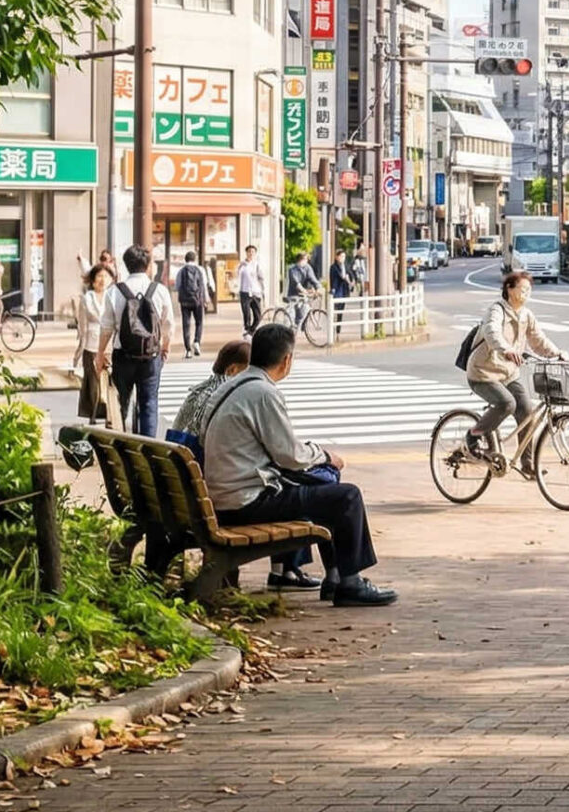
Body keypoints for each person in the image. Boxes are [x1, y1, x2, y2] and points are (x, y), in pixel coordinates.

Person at [200, 324, 394, 606]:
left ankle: (336, 578)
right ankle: (349, 583)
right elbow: (289, 456)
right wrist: (325, 455)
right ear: (286, 360)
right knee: (346, 496)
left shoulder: (232, 386)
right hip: (246, 502)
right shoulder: (263, 393)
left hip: (223, 497)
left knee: (324, 484)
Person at [168, 340, 316, 591]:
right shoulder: (229, 393)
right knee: (289, 480)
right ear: (233, 369)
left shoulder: (202, 391)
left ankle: (285, 570)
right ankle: (286, 570)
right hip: (212, 487)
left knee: (281, 479)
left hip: (187, 483)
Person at [464, 269, 569, 473]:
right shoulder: (496, 310)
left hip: (508, 373)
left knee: (527, 411)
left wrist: (557, 353)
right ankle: (474, 435)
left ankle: (527, 464)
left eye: (529, 289)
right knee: (507, 403)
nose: (526, 293)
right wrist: (506, 349)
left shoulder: (526, 315)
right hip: (482, 372)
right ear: (509, 289)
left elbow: (538, 340)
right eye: (522, 289)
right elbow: (491, 331)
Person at [107, 245, 178, 439]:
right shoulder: (160, 290)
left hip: (122, 355)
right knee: (149, 403)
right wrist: (165, 348)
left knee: (120, 403)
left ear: (126, 265)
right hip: (150, 355)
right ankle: (147, 446)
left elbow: (106, 327)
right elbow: (168, 324)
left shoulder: (115, 291)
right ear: (148, 266)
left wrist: (100, 354)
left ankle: (121, 444)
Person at [72, 263, 116, 423]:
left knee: (111, 382)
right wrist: (79, 351)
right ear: (92, 279)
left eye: (106, 276)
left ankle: (111, 415)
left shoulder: (114, 296)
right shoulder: (87, 298)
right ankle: (93, 415)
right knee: (93, 383)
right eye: (99, 276)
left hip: (111, 345)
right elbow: (82, 327)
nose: (102, 280)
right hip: (91, 345)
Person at [173, 250, 214, 359]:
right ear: (194, 259)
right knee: (199, 322)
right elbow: (203, 286)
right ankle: (196, 341)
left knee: (186, 324)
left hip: (185, 302)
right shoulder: (200, 269)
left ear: (185, 259)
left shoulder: (181, 271)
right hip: (198, 301)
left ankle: (188, 350)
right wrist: (206, 299)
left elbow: (176, 287)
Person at [233, 246, 266, 336]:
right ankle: (247, 331)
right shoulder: (241, 265)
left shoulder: (257, 265)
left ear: (255, 254)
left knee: (258, 316)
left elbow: (261, 278)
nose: (251, 253)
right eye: (249, 251)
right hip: (244, 292)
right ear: (246, 253)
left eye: (253, 252)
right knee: (246, 315)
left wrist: (263, 291)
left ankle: (251, 331)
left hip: (256, 293)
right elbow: (236, 277)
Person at [285, 253, 319, 327]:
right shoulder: (292, 269)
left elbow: (312, 279)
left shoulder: (308, 268)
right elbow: (296, 283)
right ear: (299, 260)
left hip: (303, 294)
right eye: (304, 259)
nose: (306, 261)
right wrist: (304, 290)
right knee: (292, 313)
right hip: (293, 294)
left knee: (304, 310)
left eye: (306, 259)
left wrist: (318, 288)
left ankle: (299, 326)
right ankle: (290, 326)